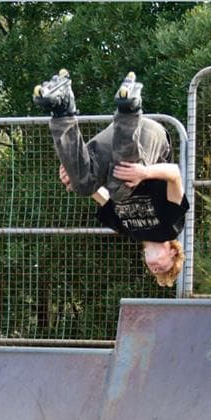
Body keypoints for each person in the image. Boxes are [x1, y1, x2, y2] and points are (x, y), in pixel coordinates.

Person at [33, 69, 188, 287]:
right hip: (151, 137)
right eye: (162, 268)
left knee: (83, 185)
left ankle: (62, 107)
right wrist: (144, 173)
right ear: (172, 252)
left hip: (114, 139)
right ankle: (130, 108)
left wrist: (72, 174)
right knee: (121, 188)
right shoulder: (172, 226)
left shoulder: (126, 229)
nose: (154, 268)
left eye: (152, 271)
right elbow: (174, 174)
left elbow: (97, 193)